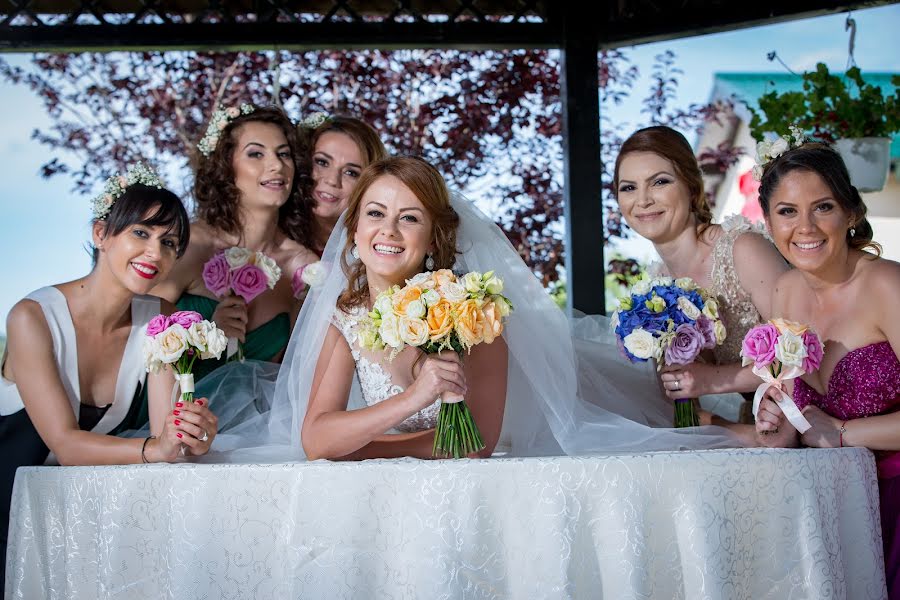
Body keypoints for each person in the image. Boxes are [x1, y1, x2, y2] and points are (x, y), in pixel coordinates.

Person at [208, 156, 743, 462]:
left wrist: (365, 445)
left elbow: (477, 444)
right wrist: (411, 400)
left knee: (656, 430)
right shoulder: (345, 316)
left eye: (410, 218)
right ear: (354, 227)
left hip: (502, 463)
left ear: (434, 234)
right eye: (375, 213)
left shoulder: (473, 311)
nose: (388, 232)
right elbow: (316, 439)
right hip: (403, 476)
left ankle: (730, 428)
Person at [0, 166, 218, 585]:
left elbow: (165, 433)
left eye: (169, 242)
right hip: (6, 511)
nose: (155, 252)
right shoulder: (33, 317)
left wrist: (194, 436)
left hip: (66, 517)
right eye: (141, 233)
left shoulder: (162, 321)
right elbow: (65, 445)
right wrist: (157, 449)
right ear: (101, 233)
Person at [752, 142, 900, 598]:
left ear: (851, 212)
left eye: (822, 207)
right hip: (829, 506)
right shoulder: (784, 290)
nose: (805, 227)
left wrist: (841, 432)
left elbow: (829, 429)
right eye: (787, 211)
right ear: (769, 223)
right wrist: (778, 422)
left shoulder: (886, 284)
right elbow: (796, 408)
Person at [614, 125, 789, 424]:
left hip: (813, 416)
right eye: (628, 187)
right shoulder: (655, 288)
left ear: (691, 187)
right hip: (759, 424)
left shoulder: (742, 251)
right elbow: (682, 401)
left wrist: (712, 380)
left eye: (659, 182)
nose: (642, 200)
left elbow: (800, 353)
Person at [153, 105, 319, 382]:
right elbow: (137, 339)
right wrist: (206, 336)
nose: (276, 165)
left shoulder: (303, 267)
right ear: (226, 166)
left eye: (284, 154)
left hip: (257, 417)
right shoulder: (190, 243)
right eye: (256, 153)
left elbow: (300, 373)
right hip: (168, 411)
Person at [298, 114, 389, 256]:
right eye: (322, 162)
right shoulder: (268, 238)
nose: (332, 180)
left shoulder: (378, 253)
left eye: (351, 173)